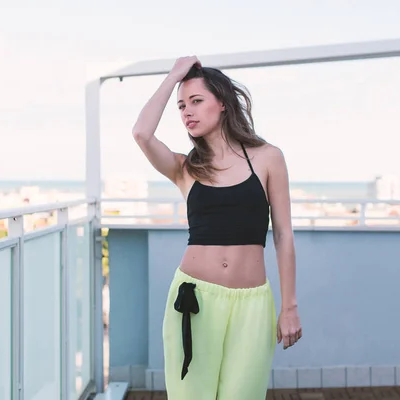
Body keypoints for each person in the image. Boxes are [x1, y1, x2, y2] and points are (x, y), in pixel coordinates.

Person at [132, 56, 302, 399]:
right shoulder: (185, 168)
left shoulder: (268, 157)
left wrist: (289, 306)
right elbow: (141, 133)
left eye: (196, 101)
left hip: (253, 305)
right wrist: (174, 77)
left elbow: (283, 235)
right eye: (181, 106)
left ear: (222, 103)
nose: (187, 112)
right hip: (194, 301)